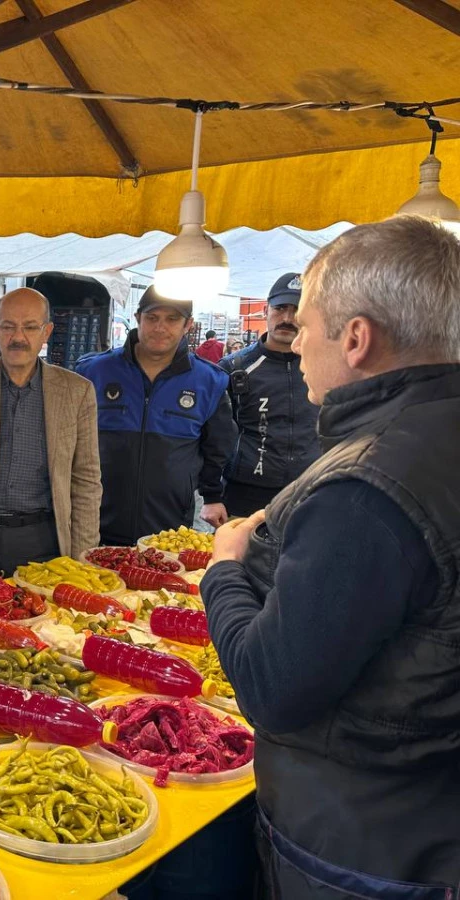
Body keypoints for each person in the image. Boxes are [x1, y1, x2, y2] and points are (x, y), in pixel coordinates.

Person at [203, 217, 460, 898]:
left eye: (307, 326)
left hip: (359, 840)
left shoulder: (366, 486)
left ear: (355, 339)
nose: (296, 342)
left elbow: (271, 688)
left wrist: (225, 568)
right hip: (426, 817)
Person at [0, 288, 101, 579]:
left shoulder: (77, 391)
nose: (18, 337)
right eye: (8, 326)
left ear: (46, 332)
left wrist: (83, 555)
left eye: (30, 327)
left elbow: (86, 479)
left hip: (45, 542)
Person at [74, 287, 235, 545]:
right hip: (94, 524)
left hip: (168, 533)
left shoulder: (209, 381)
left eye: (172, 319)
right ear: (138, 318)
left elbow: (219, 448)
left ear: (188, 325)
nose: (160, 327)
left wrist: (213, 495)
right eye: (152, 318)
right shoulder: (92, 372)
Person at [219, 273, 320, 515]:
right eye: (280, 308)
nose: (287, 318)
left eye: (296, 310)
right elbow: (213, 435)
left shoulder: (325, 367)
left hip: (309, 491)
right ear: (266, 310)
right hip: (244, 494)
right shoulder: (234, 368)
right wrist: (210, 491)